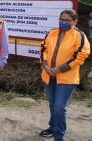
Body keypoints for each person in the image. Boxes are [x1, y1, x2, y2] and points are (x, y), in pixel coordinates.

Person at [39, 9, 90, 141]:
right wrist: (45, 66)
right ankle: (53, 127)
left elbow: (81, 56)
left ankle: (59, 136)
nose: (64, 22)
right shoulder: (52, 33)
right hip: (49, 75)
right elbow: (43, 49)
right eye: (62, 19)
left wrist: (60, 69)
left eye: (67, 20)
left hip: (67, 78)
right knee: (52, 104)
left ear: (75, 21)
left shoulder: (79, 35)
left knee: (59, 107)